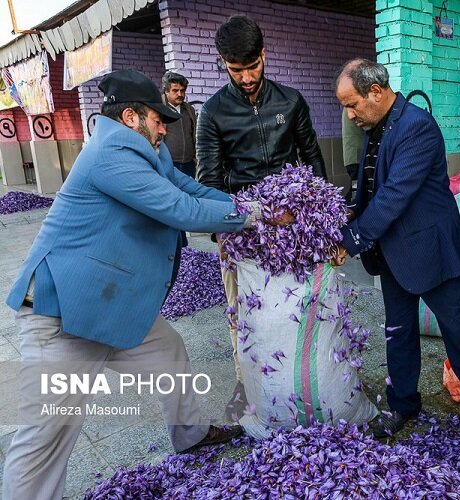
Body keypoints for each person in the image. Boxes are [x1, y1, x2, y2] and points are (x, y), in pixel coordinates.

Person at [1, 69, 269, 500]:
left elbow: (184, 185)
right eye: (158, 117)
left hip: (109, 304)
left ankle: (191, 434)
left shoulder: (148, 149)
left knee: (169, 351)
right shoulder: (110, 154)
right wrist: (254, 218)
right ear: (130, 117)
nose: (166, 125)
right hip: (63, 313)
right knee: (46, 436)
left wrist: (252, 204)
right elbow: (177, 208)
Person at [333, 59, 460, 441]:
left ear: (375, 92)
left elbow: (394, 196)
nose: (349, 113)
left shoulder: (417, 127)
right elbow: (371, 187)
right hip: (393, 253)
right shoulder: (375, 126)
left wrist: (352, 239)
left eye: (351, 103)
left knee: (458, 330)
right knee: (398, 332)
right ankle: (403, 403)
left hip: (431, 249)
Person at [196, 15, 327, 420]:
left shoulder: (290, 101)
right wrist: (230, 229)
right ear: (223, 63)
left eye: (253, 66)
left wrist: (321, 217)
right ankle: (251, 386)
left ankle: (307, 380)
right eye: (237, 70)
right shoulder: (213, 113)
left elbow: (313, 158)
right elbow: (210, 181)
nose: (247, 77)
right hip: (245, 226)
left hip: (294, 223)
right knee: (247, 314)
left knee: (299, 304)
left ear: (264, 55)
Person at [162, 71, 198, 178]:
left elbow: (195, 135)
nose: (180, 94)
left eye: (182, 91)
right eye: (175, 90)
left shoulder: (189, 110)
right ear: (166, 92)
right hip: (168, 164)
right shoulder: (159, 110)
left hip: (189, 164)